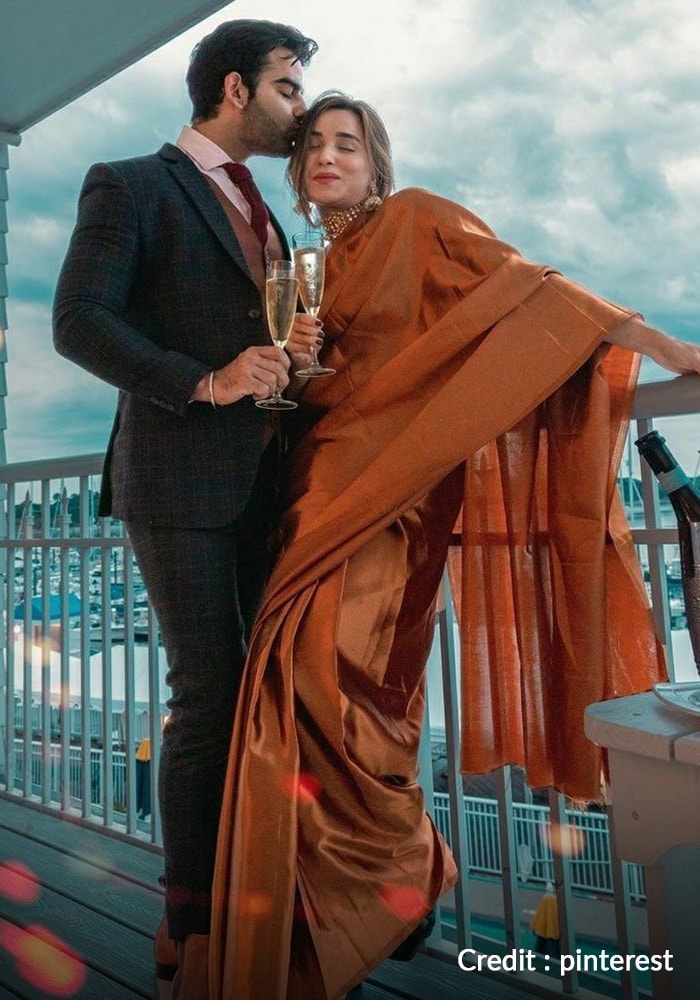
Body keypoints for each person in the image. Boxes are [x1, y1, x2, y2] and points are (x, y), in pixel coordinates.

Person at [208, 91, 700, 1000]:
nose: (326, 155)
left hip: (398, 496)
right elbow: (316, 392)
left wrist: (665, 342)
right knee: (292, 682)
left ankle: (402, 870)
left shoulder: (420, 219)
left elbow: (534, 291)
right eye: (312, 143)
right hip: (315, 491)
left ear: (376, 161)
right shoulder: (307, 264)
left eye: (346, 143)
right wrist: (301, 360)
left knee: (348, 677)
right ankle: (339, 912)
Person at [52, 20, 319, 1000]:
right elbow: (79, 319)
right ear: (239, 88)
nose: (299, 109)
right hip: (179, 478)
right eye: (289, 89)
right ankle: (186, 919)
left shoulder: (271, 216)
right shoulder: (129, 183)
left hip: (264, 482)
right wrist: (205, 383)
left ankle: (255, 888)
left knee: (259, 693)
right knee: (208, 695)